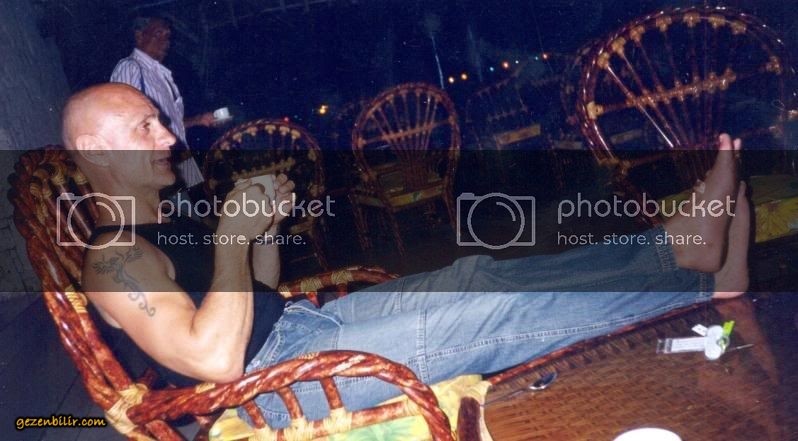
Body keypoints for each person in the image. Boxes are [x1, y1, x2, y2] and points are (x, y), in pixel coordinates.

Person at [63, 83, 749, 429]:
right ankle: (704, 289)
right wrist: (232, 237)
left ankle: (678, 248)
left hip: (299, 328)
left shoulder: (168, 218)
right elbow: (213, 361)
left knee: (475, 275)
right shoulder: (112, 259)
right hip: (276, 385)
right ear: (97, 150)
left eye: (159, 120)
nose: (167, 136)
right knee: (494, 316)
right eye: (145, 126)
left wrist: (261, 231)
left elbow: (255, 294)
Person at [110, 15, 214, 196]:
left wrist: (198, 120)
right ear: (139, 36)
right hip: (160, 159)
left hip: (182, 155)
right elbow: (124, 120)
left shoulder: (161, 75)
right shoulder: (131, 67)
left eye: (167, 36)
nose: (165, 41)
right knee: (176, 207)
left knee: (201, 200)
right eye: (158, 34)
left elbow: (171, 124)